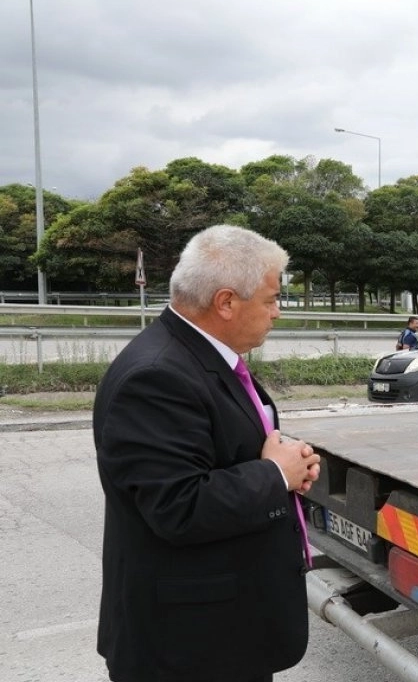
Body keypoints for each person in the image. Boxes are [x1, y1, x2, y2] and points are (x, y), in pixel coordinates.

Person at [93, 225, 321, 682]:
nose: (278, 312)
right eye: (272, 298)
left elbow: (223, 448)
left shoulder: (204, 356)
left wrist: (283, 463)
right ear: (226, 302)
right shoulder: (157, 377)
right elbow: (179, 506)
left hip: (222, 631)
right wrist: (275, 474)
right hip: (187, 649)